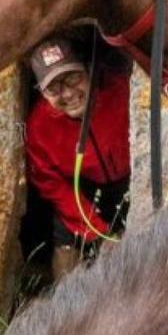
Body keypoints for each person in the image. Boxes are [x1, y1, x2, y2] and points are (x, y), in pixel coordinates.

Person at [25, 37, 131, 281]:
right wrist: (95, 230)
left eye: (74, 78)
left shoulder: (118, 89)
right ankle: (63, 304)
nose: (69, 93)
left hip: (128, 180)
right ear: (41, 93)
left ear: (89, 70)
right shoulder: (39, 125)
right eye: (54, 88)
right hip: (82, 188)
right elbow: (50, 183)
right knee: (65, 246)